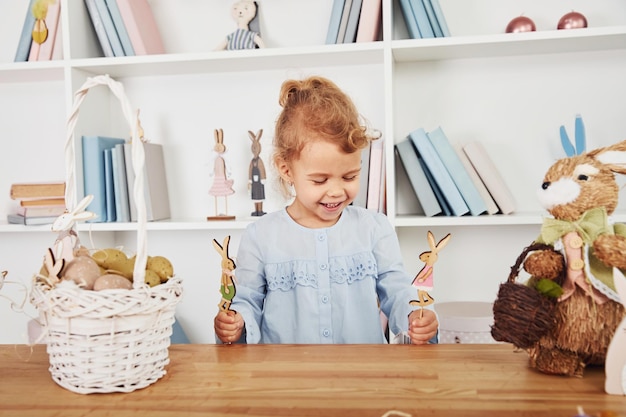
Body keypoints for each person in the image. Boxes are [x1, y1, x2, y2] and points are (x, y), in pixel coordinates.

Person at [214, 75, 439, 344]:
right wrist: (235, 322)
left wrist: (416, 316)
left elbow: (398, 291)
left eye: (349, 177)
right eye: (320, 180)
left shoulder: (374, 229)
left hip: (362, 375)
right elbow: (246, 300)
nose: (336, 191)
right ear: (287, 170)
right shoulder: (260, 236)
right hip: (286, 378)